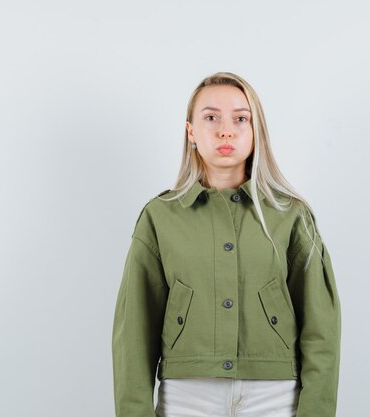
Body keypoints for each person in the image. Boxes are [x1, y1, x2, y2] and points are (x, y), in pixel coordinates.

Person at [112, 72, 341, 417]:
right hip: (187, 396)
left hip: (274, 396)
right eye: (210, 118)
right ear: (191, 131)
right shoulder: (159, 217)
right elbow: (133, 331)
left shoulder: (292, 217)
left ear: (255, 131)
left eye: (240, 118)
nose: (225, 130)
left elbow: (321, 330)